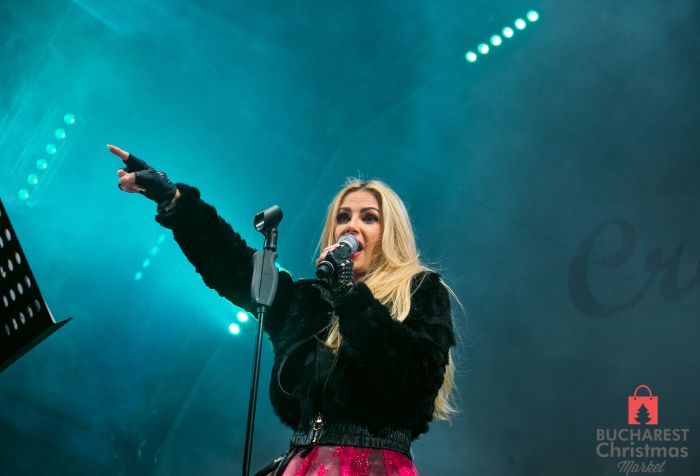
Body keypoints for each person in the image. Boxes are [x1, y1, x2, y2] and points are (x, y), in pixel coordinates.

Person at [108, 144, 458, 475]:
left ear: (390, 233)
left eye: (369, 218)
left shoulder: (420, 292)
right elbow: (233, 266)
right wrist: (173, 199)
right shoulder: (307, 302)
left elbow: (412, 383)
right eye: (343, 217)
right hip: (303, 463)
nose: (351, 226)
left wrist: (350, 297)